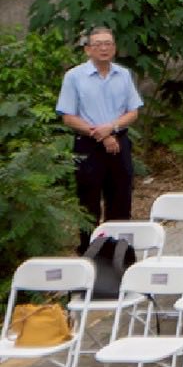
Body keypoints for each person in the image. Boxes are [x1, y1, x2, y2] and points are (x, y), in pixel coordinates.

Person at [57, 25, 143, 236]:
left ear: (114, 48)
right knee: (89, 202)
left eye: (108, 44)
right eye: (98, 44)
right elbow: (68, 117)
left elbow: (133, 112)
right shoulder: (74, 77)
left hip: (119, 142)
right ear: (88, 49)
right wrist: (102, 135)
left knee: (121, 199)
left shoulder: (123, 74)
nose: (104, 48)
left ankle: (120, 252)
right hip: (88, 145)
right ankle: (89, 253)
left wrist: (111, 129)